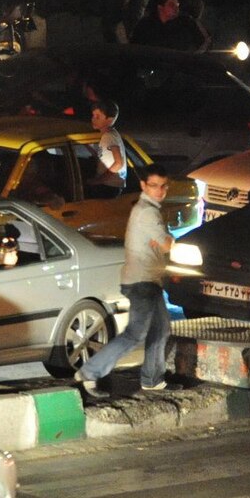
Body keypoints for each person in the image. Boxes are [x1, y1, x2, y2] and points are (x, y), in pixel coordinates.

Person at [78, 167, 175, 395]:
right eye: (154, 186)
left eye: (163, 186)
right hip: (142, 282)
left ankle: (152, 380)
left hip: (148, 280)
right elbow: (166, 244)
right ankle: (89, 372)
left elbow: (160, 243)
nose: (159, 191)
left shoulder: (148, 209)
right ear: (143, 186)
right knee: (135, 334)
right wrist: (167, 239)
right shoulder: (147, 212)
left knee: (161, 330)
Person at [128, 0, 209, 51]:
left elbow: (205, 41)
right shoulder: (145, 26)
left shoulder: (186, 23)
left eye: (177, 5)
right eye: (171, 5)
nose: (176, 9)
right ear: (160, 7)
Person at [87, 100, 129, 197]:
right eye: (93, 115)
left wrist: (98, 181)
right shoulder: (110, 135)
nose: (93, 119)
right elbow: (103, 156)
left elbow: (118, 163)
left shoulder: (109, 136)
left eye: (98, 116)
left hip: (109, 186)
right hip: (111, 185)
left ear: (109, 119)